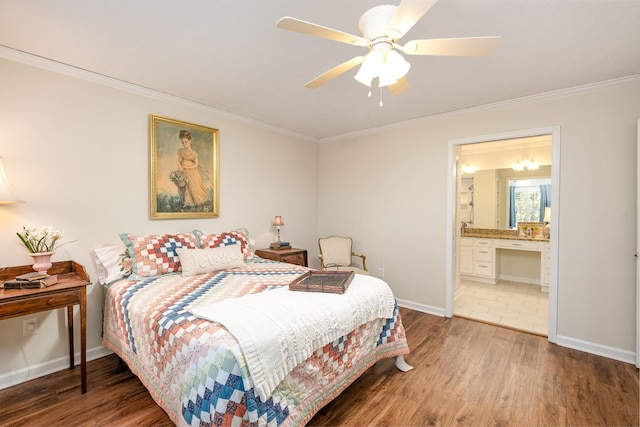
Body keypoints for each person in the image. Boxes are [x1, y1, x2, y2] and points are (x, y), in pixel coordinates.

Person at [176, 130, 209, 209]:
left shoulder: (194, 153)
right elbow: (177, 160)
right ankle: (187, 202)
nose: (184, 144)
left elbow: (196, 164)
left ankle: (198, 202)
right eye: (182, 142)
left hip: (192, 172)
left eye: (186, 142)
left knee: (193, 186)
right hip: (183, 171)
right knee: (185, 187)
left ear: (190, 141)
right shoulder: (180, 151)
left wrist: (188, 167)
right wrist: (180, 167)